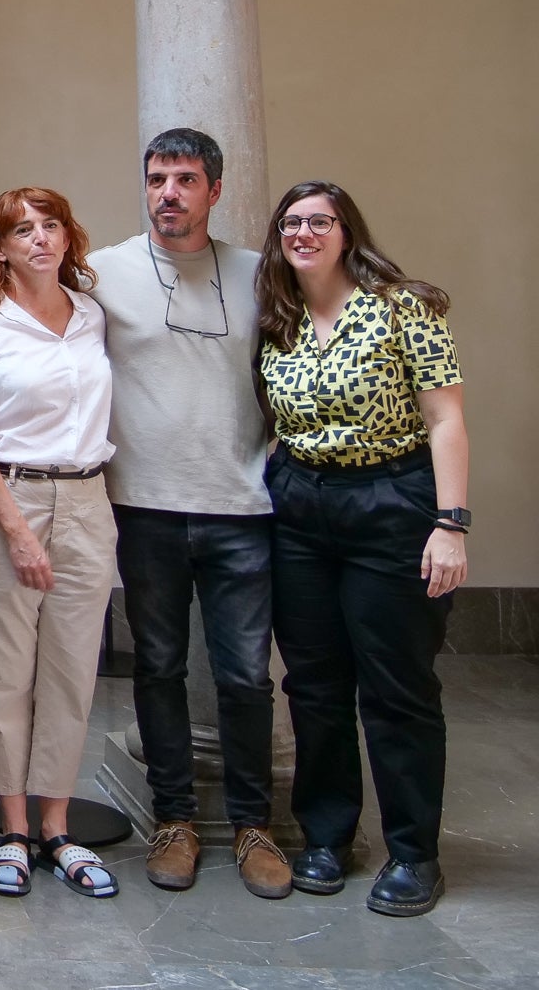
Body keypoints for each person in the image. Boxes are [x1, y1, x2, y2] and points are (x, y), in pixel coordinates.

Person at [254, 182, 469, 916]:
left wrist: (451, 523)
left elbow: (444, 420)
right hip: (300, 510)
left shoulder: (403, 304)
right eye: (292, 223)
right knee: (313, 686)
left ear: (347, 231)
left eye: (320, 221)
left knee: (396, 687)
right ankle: (328, 837)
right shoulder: (277, 317)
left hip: (390, 504)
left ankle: (414, 853)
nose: (304, 233)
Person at [91, 127, 291, 899]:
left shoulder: (260, 273)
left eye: (183, 179)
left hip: (243, 506)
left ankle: (251, 826)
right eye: (155, 178)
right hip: (145, 509)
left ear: (214, 189)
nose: (167, 193)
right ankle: (174, 820)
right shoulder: (102, 271)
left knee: (244, 678)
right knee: (161, 668)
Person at [0, 189, 119, 900]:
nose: (41, 239)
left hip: (86, 495)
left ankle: (57, 823)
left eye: (51, 226)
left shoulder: (91, 317)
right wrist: (17, 531)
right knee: (4, 672)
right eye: (24, 230)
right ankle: (12, 829)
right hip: (5, 499)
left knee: (74, 669)